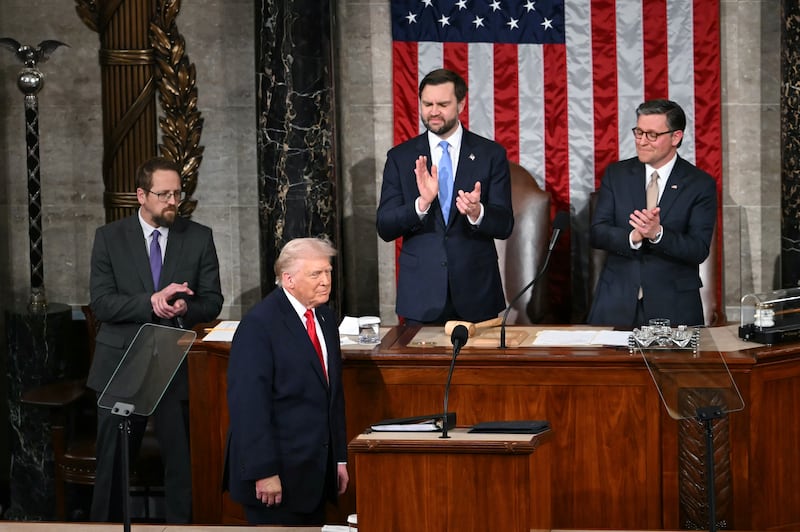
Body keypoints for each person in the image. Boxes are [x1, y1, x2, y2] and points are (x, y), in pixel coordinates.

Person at [87, 156, 224, 522]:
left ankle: (183, 530)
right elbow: (101, 303)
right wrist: (150, 302)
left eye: (177, 194)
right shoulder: (109, 238)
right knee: (113, 467)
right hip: (121, 364)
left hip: (175, 364)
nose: (172, 202)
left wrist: (180, 307)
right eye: (163, 194)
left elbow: (212, 301)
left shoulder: (198, 238)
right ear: (141, 195)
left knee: (184, 467)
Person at [224, 237, 348, 525]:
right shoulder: (259, 325)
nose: (326, 281)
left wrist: (338, 460)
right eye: (315, 274)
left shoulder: (326, 318)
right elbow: (249, 406)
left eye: (328, 271)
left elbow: (333, 397)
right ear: (288, 279)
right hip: (274, 479)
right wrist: (263, 471)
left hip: (314, 475)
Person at [376, 68, 514, 324]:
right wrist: (421, 204)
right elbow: (385, 226)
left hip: (477, 293)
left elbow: (505, 224)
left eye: (443, 104)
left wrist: (477, 213)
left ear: (461, 104)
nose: (434, 111)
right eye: (427, 104)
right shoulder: (400, 157)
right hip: (422, 297)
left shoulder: (490, 154)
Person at [587, 99, 717, 328]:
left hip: (674, 306)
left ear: (676, 137)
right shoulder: (617, 174)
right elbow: (598, 232)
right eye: (639, 132)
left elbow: (698, 249)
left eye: (652, 135)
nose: (642, 142)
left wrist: (658, 234)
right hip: (616, 303)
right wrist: (633, 237)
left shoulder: (699, 184)